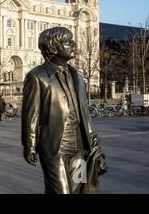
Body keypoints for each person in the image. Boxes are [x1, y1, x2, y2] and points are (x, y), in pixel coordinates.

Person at [21, 27, 107, 194]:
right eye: (68, 42)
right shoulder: (37, 76)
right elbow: (31, 115)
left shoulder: (79, 77)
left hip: (80, 146)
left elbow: (85, 117)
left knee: (78, 188)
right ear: (54, 47)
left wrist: (95, 147)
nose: (73, 45)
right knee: (60, 191)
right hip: (55, 146)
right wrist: (29, 145)